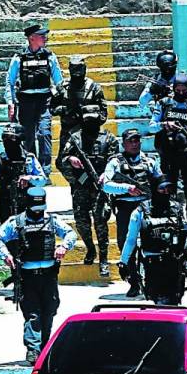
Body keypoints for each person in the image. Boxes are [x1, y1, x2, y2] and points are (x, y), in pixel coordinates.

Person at [0, 187, 77, 363]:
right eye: (35, 208)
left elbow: (70, 233)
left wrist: (64, 247)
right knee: (32, 313)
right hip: (27, 276)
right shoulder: (16, 222)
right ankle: (33, 349)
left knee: (50, 310)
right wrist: (5, 256)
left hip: (49, 275)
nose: (38, 212)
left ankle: (45, 347)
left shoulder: (53, 221)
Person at [58, 100, 119, 277]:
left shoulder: (109, 139)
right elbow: (62, 161)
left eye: (93, 120)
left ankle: (104, 259)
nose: (90, 124)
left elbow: (116, 162)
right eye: (87, 120)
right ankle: (90, 248)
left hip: (101, 188)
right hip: (81, 188)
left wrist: (106, 176)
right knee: (82, 223)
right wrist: (71, 161)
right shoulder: (75, 138)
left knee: (101, 224)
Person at [101, 128, 162, 298]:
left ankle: (153, 281)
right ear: (124, 143)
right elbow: (106, 184)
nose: (135, 144)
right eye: (131, 141)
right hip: (125, 208)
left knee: (154, 242)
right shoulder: (115, 162)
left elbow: (159, 180)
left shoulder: (149, 161)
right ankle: (133, 281)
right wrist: (127, 189)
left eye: (137, 140)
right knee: (126, 245)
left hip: (147, 207)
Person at [118, 178, 187, 305]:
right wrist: (123, 263)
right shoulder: (140, 211)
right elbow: (131, 240)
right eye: (161, 189)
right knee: (157, 304)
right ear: (154, 190)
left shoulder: (178, 208)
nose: (165, 192)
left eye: (168, 189)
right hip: (152, 264)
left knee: (174, 302)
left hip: (174, 262)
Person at [149, 72, 187, 227]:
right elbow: (151, 127)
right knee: (168, 186)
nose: (181, 93)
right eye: (178, 90)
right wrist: (164, 124)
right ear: (174, 89)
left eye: (184, 90)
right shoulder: (164, 103)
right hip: (169, 154)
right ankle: (171, 220)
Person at [5, 24, 63, 172]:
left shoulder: (50, 56)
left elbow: (59, 81)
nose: (45, 38)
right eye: (41, 35)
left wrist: (60, 98)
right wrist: (10, 104)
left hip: (44, 101)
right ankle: (31, 169)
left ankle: (45, 171)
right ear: (31, 38)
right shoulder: (19, 58)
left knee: (44, 134)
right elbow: (9, 82)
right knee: (28, 137)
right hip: (25, 102)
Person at [0, 124, 47, 224]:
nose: (7, 141)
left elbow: (43, 180)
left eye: (11, 138)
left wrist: (30, 178)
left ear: (19, 139)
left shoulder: (29, 159)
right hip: (6, 206)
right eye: (5, 138)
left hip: (27, 206)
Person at [55, 55, 105, 142]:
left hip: (89, 134)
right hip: (68, 134)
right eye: (74, 68)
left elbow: (103, 114)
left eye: (79, 68)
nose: (77, 72)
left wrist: (91, 116)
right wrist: (63, 110)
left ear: (84, 68)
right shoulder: (62, 87)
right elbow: (52, 108)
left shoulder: (93, 88)